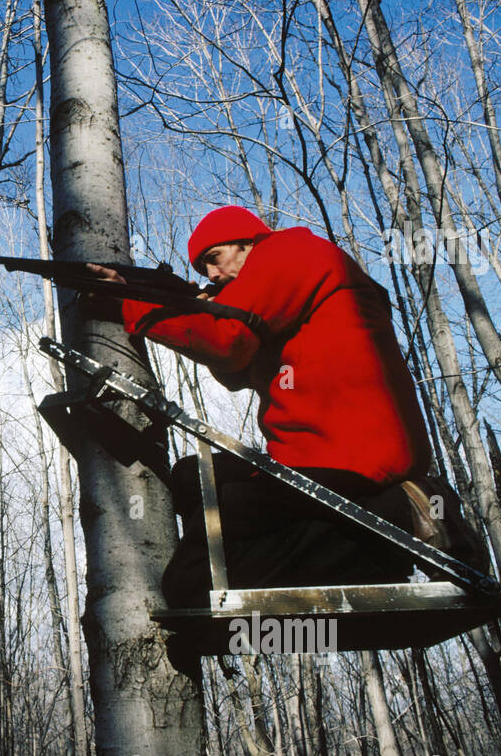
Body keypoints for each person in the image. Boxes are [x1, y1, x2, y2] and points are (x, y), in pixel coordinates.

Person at [87, 206, 477, 606]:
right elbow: (234, 372)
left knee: (194, 579)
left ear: (247, 241)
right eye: (204, 271)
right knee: (194, 479)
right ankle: (382, 548)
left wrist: (129, 303)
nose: (213, 276)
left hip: (348, 455)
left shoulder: (289, 249)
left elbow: (227, 343)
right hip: (324, 459)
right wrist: (189, 307)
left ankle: (401, 514)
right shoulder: (290, 279)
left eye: (214, 258)